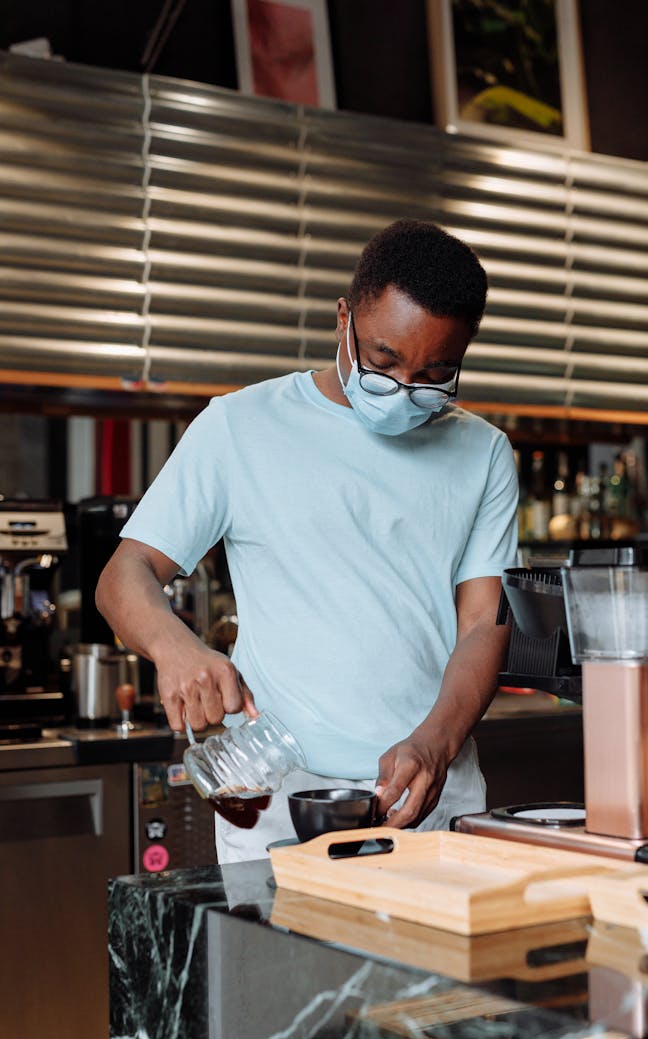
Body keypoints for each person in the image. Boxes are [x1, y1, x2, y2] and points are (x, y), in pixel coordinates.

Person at [96, 219, 519, 863]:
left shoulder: (483, 452)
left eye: (434, 373)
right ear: (344, 318)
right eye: (383, 360)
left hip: (429, 795)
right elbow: (126, 572)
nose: (404, 390)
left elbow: (483, 624)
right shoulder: (241, 426)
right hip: (277, 796)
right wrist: (174, 647)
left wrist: (436, 742)